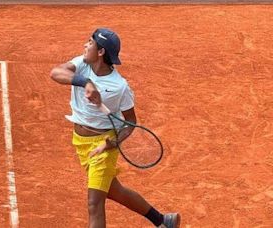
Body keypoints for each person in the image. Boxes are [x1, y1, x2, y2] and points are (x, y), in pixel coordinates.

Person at [50, 28, 180, 228]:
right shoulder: (81, 65)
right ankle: (163, 221)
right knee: (114, 191)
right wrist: (86, 83)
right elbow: (56, 72)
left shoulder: (119, 86)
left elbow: (130, 122)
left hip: (103, 145)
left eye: (90, 43)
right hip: (81, 143)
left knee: (94, 203)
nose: (85, 45)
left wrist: (111, 144)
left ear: (100, 52)